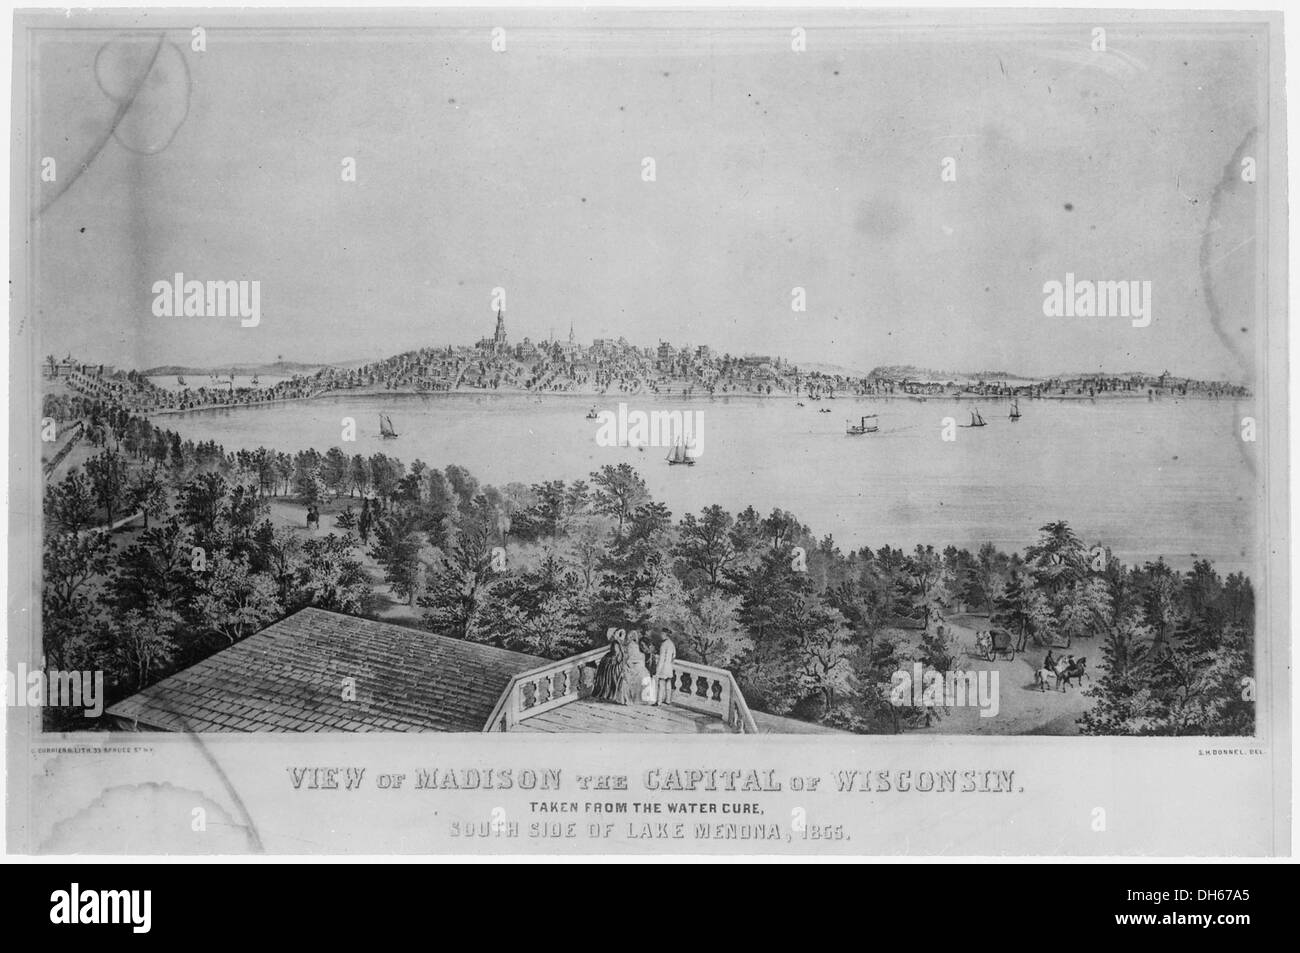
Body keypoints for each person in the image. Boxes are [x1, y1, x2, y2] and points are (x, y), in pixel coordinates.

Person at [619, 629, 653, 706]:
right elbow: (628, 658)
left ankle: (641, 699)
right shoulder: (631, 646)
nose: (630, 638)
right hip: (632, 666)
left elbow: (639, 656)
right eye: (630, 636)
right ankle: (635, 699)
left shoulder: (637, 645)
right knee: (639, 676)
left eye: (632, 636)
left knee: (644, 675)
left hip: (637, 666)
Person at [593, 628, 626, 702]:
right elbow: (615, 653)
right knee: (611, 678)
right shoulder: (615, 643)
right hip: (612, 663)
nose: (617, 634)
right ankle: (610, 694)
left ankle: (613, 694)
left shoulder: (618, 642)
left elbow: (619, 652)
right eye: (616, 633)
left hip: (616, 661)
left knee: (614, 679)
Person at [654, 628, 676, 706]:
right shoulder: (672, 644)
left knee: (661, 684)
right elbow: (674, 656)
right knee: (668, 683)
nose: (661, 636)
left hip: (663, 667)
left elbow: (661, 659)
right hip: (669, 667)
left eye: (662, 634)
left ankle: (659, 701)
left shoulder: (664, 645)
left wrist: (658, 670)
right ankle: (668, 700)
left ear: (665, 635)